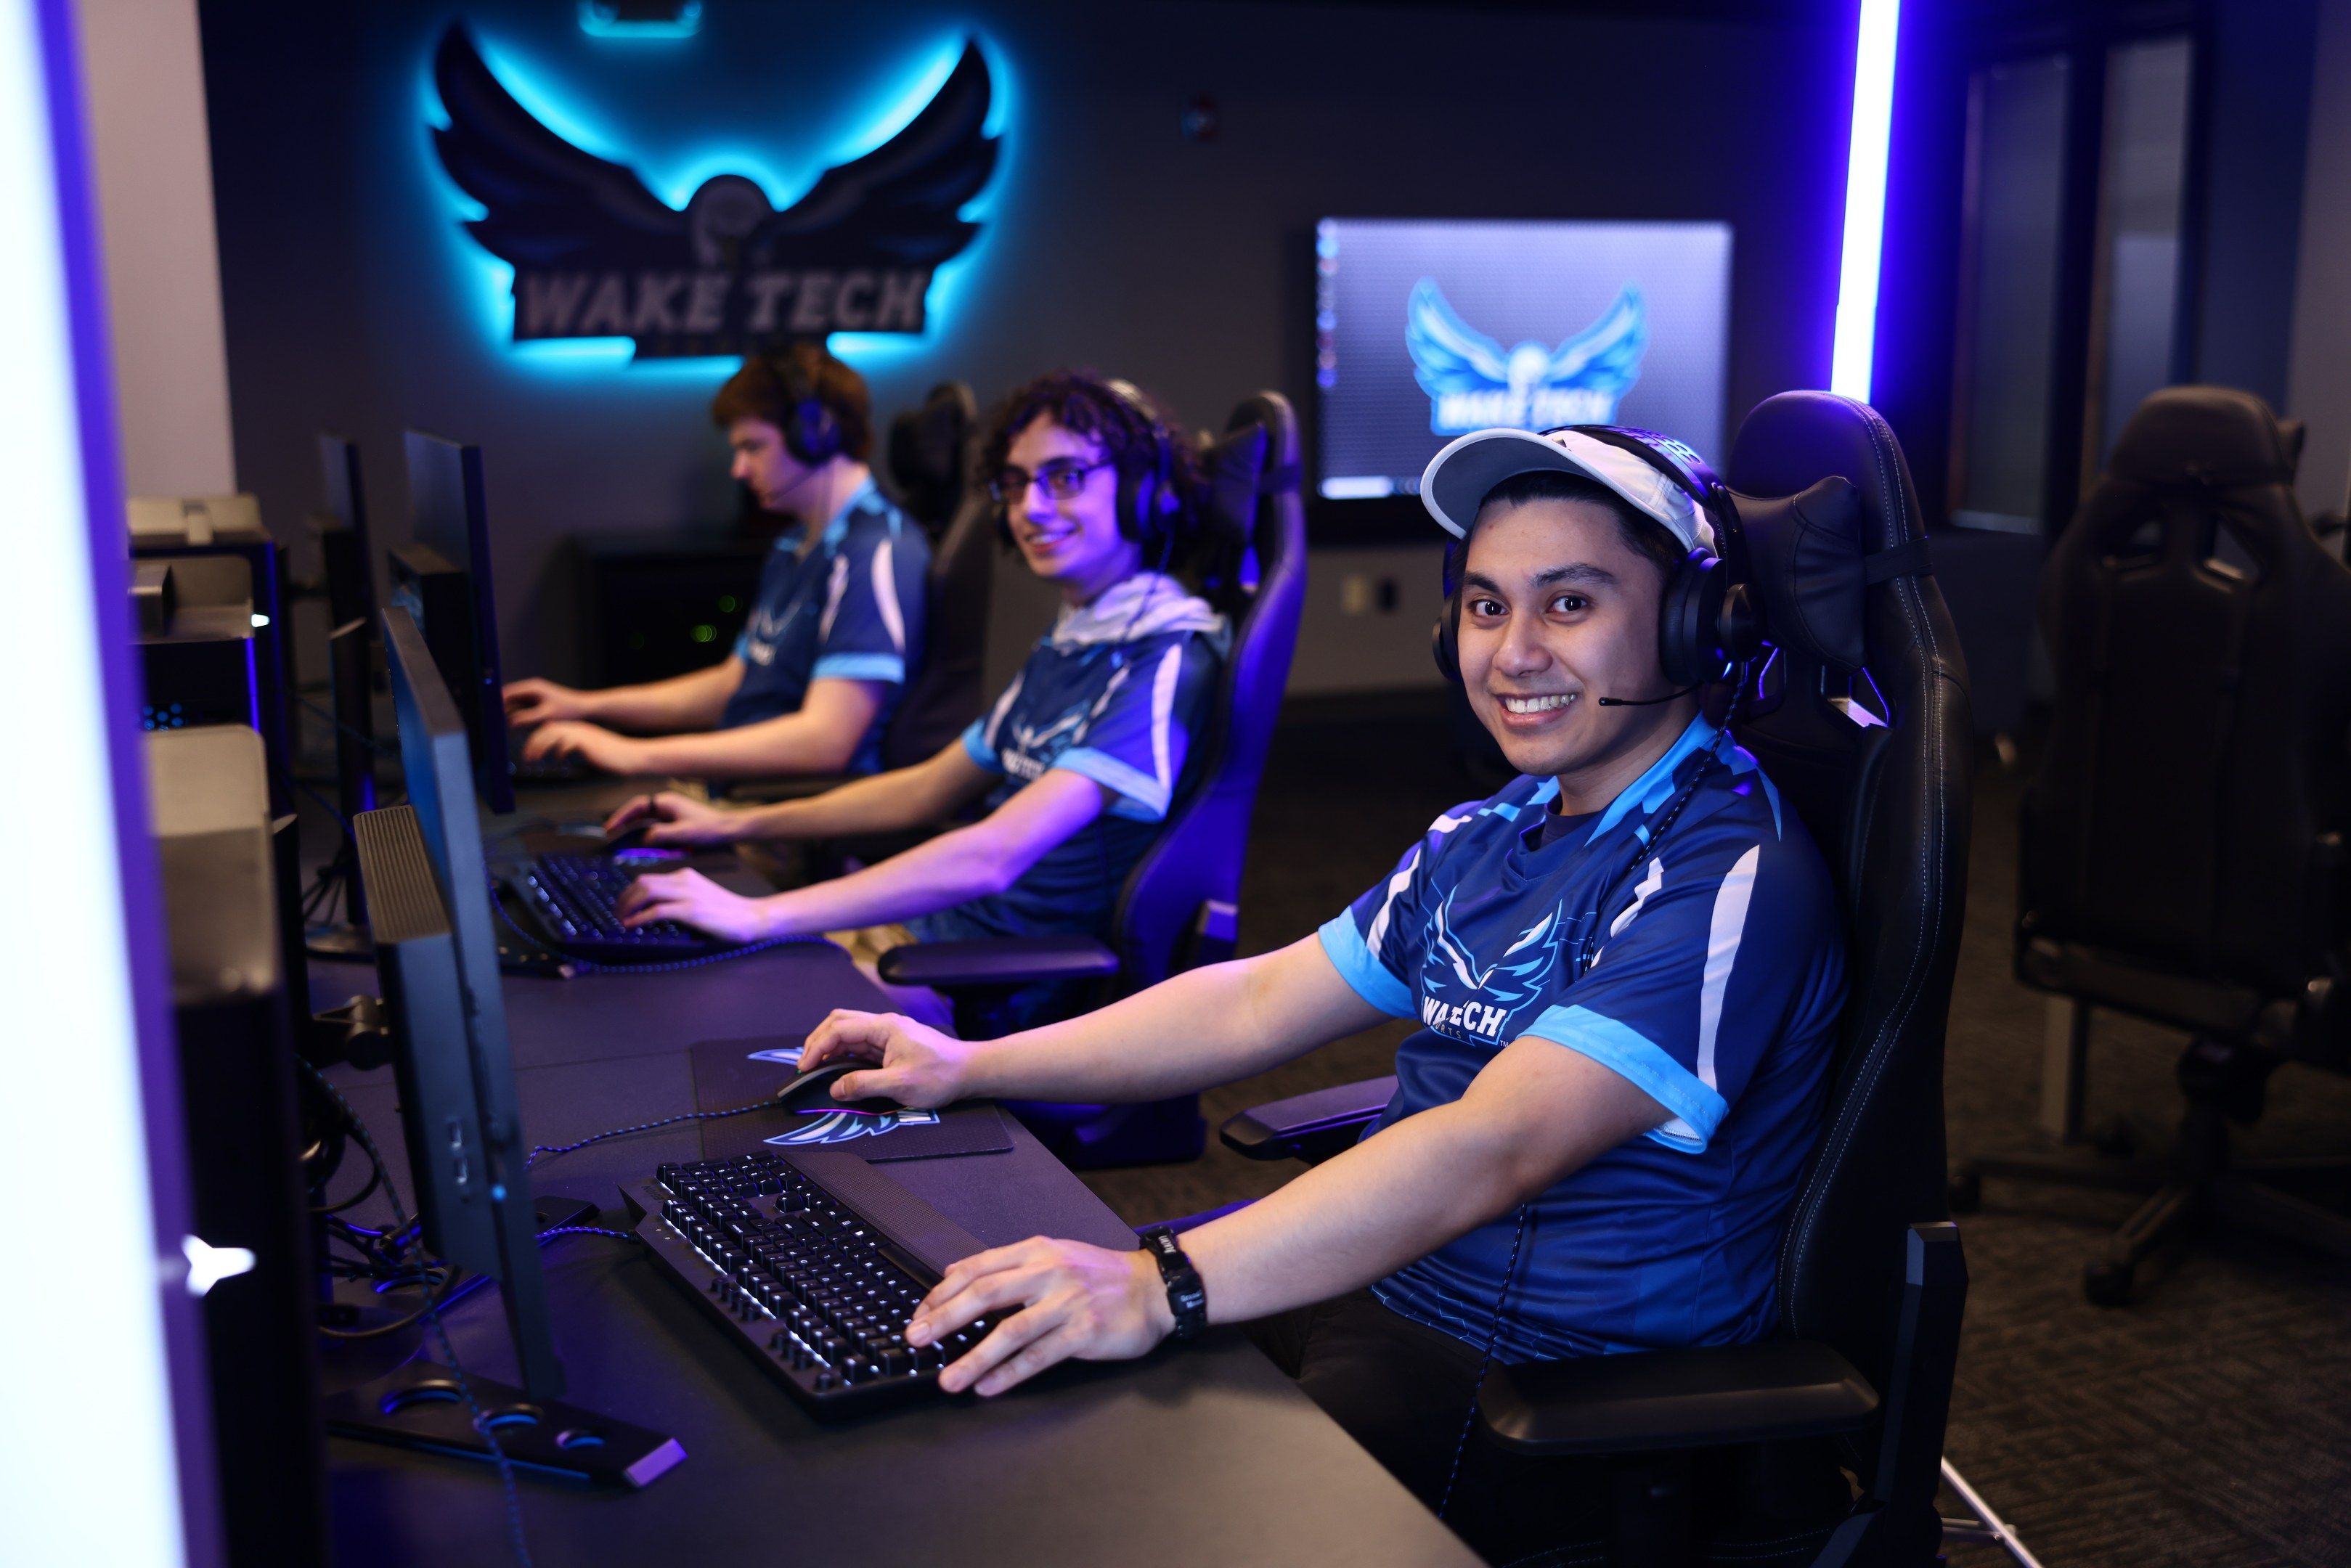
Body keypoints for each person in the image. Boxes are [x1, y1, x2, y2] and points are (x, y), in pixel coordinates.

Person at [790, 425, 1851, 1560]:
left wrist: (1161, 1288)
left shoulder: (1726, 867)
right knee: (988, 1372)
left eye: (1570, 605)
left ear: (1696, 623)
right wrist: (967, 1066)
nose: (1512, 654)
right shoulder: (1490, 830)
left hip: (1543, 1377)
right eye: (1487, 607)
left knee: (1102, 1514)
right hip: (1386, 1276)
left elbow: (1493, 1146)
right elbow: (1253, 1002)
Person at [605, 372, 1228, 1038]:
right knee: (655, 974)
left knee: (707, 1017)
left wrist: (760, 915)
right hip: (929, 937)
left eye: (1065, 476)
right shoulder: (1076, 641)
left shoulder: (1163, 663)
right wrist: (729, 823)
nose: (1031, 508)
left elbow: (994, 855)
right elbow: (926, 789)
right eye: (1016, 484)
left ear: (1146, 494)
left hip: (992, 985)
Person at [502, 343, 930, 779]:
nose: (739, 470)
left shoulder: (876, 555)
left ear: (817, 434)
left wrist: (635, 755)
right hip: (744, 795)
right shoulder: (794, 545)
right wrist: (586, 706)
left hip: (798, 812)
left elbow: (826, 742)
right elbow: (733, 683)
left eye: (754, 447)